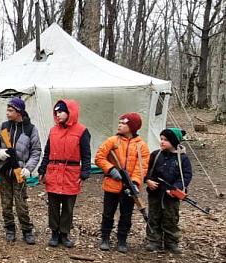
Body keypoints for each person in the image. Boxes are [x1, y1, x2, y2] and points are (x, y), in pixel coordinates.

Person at [37, 100, 91, 248]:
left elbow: (86, 154)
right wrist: (42, 169)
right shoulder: (53, 130)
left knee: (68, 206)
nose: (58, 115)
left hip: (71, 173)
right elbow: (47, 152)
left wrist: (85, 172)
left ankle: (64, 234)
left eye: (61, 112)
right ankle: (54, 233)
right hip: (54, 171)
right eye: (56, 112)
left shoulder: (82, 131)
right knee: (53, 205)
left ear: (70, 112)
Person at [94, 113, 150, 253]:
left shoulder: (141, 146)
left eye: (123, 123)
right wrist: (111, 169)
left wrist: (135, 182)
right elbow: (99, 157)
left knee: (126, 215)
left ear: (132, 127)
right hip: (111, 185)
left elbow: (142, 166)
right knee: (108, 213)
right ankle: (105, 238)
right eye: (119, 123)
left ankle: (122, 240)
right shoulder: (112, 141)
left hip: (129, 187)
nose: (119, 125)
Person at [0, 97, 41, 243]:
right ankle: (9, 229)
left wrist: (29, 168)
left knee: (21, 203)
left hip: (20, 172)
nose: (7, 113)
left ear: (19, 112)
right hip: (4, 170)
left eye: (10, 110)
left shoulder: (31, 129)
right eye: (7, 110)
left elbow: (36, 151)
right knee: (6, 203)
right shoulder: (3, 127)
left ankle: (27, 230)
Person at [144, 128, 192, 254]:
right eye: (161, 139)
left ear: (174, 141)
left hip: (172, 196)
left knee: (171, 218)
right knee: (154, 216)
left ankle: (171, 241)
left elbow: (186, 176)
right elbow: (147, 170)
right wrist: (148, 180)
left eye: (166, 140)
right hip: (155, 193)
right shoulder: (156, 155)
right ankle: (154, 240)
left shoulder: (182, 159)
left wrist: (175, 187)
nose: (162, 142)